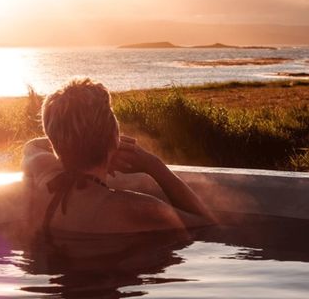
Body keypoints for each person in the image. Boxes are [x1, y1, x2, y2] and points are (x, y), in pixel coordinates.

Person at [22, 78, 216, 238]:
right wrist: (154, 165)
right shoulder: (137, 208)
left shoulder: (44, 176)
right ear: (113, 137)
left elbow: (31, 146)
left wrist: (69, 140)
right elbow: (206, 224)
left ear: (53, 140)